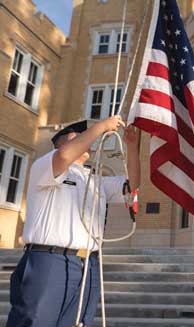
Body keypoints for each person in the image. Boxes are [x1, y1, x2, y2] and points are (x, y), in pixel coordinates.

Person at [7, 116, 141, 327]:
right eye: (75, 135)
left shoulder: (96, 180)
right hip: (50, 260)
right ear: (60, 141)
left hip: (88, 263)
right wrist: (101, 127)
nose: (84, 138)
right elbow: (63, 156)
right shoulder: (47, 165)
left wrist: (132, 148)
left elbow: (132, 184)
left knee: (78, 323)